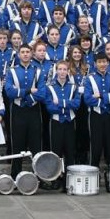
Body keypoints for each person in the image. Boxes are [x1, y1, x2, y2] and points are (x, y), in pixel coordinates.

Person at [4, 44, 46, 178]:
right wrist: (28, 91)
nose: (25, 54)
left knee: (36, 145)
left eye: (28, 52)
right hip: (17, 111)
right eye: (23, 52)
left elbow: (42, 93)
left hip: (34, 110)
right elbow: (9, 92)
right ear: (18, 54)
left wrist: (24, 97)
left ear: (32, 53)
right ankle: (15, 176)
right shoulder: (12, 71)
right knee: (17, 145)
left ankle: (38, 176)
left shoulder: (38, 71)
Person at [40, 60, 80, 189]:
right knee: (55, 152)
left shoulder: (73, 86)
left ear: (68, 71)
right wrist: (67, 104)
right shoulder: (50, 87)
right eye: (60, 69)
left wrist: (61, 103)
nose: (62, 72)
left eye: (64, 69)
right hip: (56, 122)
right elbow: (50, 107)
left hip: (70, 122)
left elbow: (77, 104)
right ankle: (55, 179)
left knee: (70, 151)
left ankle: (69, 179)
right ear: (56, 71)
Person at [84, 52, 110, 177]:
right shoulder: (90, 78)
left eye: (104, 62)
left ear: (108, 63)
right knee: (95, 146)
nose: (102, 64)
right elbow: (87, 99)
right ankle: (93, 177)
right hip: (96, 116)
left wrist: (101, 96)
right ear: (95, 64)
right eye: (99, 62)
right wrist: (108, 99)